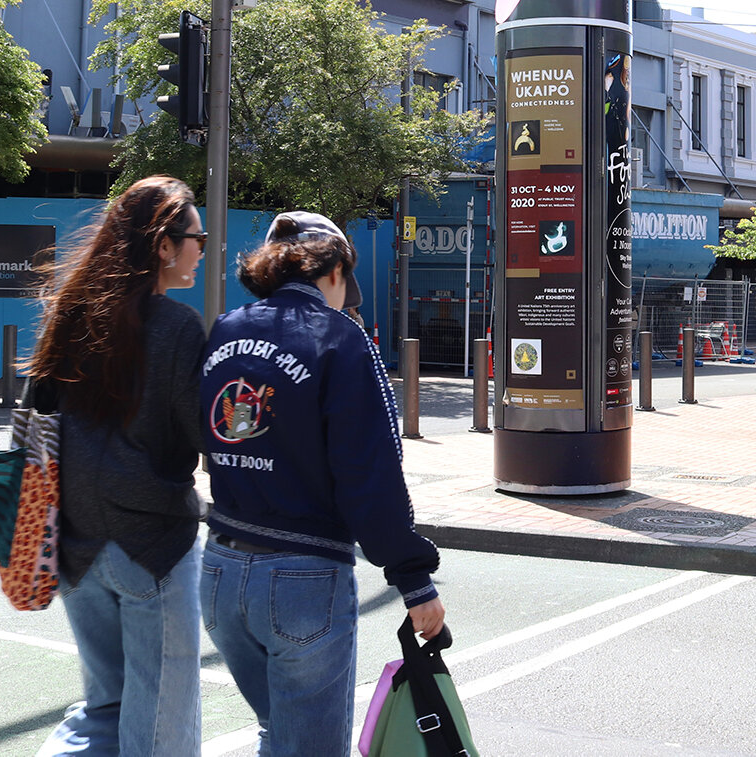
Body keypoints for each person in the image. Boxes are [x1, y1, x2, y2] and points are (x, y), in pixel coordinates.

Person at [200, 210, 445, 756]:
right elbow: (371, 473)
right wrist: (413, 579)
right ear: (333, 268)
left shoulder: (226, 328)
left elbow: (210, 436)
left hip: (218, 570)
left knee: (278, 733)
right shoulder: (341, 339)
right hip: (301, 576)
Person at [27, 176, 209, 756]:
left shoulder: (72, 313)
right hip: (151, 546)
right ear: (163, 244)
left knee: (104, 710)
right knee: (161, 722)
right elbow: (205, 432)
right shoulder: (178, 327)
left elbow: (36, 419)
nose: (203, 250)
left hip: (74, 546)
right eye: (197, 238)